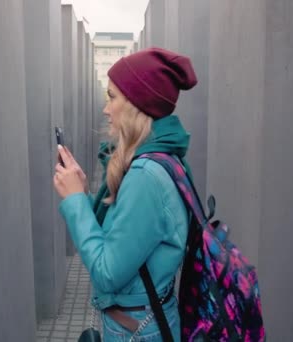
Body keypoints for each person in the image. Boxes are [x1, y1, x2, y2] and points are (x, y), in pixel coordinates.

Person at [53, 47, 197, 341]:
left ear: (136, 104)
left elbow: (107, 273)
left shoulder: (145, 175)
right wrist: (83, 190)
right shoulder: (163, 157)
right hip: (142, 320)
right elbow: (123, 237)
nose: (106, 109)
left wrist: (75, 202)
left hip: (136, 330)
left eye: (112, 97)